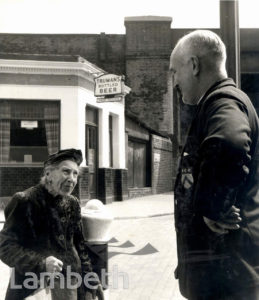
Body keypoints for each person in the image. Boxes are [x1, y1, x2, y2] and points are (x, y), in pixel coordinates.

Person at [170, 30, 259, 299]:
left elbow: (230, 142)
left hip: (226, 275)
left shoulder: (222, 102)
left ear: (194, 65)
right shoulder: (217, 102)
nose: (175, 81)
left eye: (175, 71)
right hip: (220, 269)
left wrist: (212, 206)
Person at [0, 148, 104, 300]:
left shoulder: (72, 203)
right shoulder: (26, 201)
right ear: (48, 173)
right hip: (34, 287)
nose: (72, 179)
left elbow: (79, 245)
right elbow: (5, 246)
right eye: (66, 171)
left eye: (75, 173)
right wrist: (41, 264)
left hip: (73, 284)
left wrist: (90, 277)